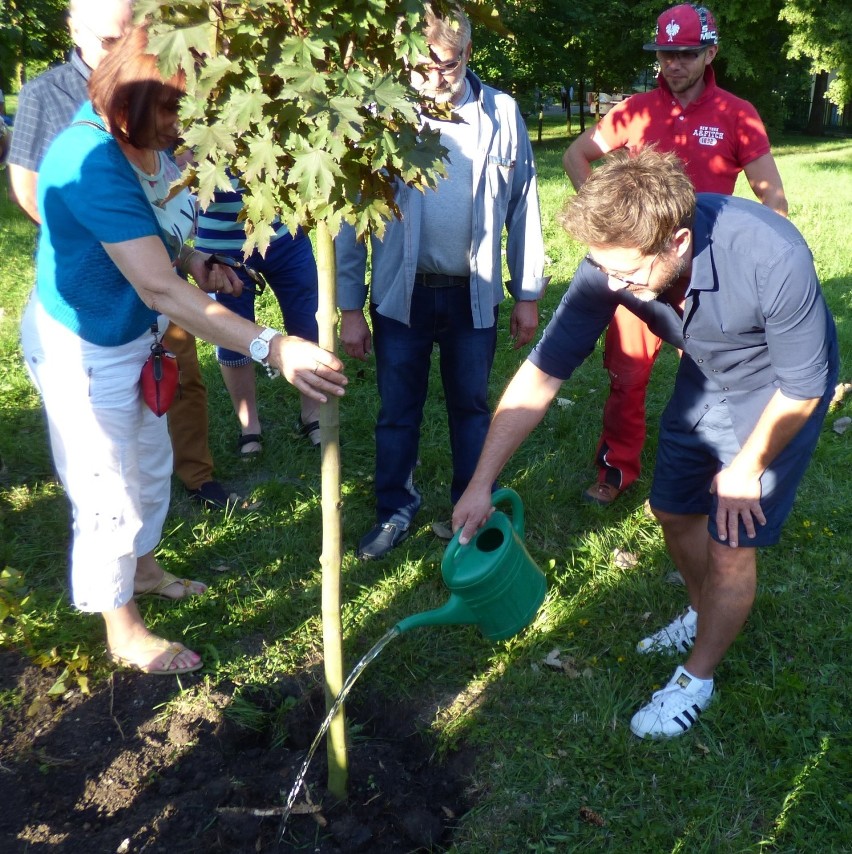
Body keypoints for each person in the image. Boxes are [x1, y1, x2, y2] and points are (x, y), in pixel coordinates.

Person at [453, 148, 837, 739]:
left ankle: (697, 677)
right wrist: (481, 484)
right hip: (708, 372)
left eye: (627, 276)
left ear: (677, 242)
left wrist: (747, 466)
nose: (613, 287)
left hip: (778, 386)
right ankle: (701, 609)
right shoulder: (613, 261)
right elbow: (541, 375)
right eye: (604, 271)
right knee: (671, 507)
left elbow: (809, 386)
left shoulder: (771, 256)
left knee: (731, 535)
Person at [19, 25, 346, 675]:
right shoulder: (87, 162)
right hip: (84, 347)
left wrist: (198, 257)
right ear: (121, 109)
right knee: (105, 485)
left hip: (134, 336)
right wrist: (271, 345)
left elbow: (157, 241)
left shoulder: (149, 144)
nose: (184, 125)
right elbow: (156, 287)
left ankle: (141, 569)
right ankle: (123, 628)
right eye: (171, 111)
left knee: (146, 461)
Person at [336, 2, 549, 560]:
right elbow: (353, 215)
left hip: (471, 295)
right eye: (423, 64)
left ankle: (470, 509)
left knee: (472, 407)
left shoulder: (502, 113)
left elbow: (525, 205)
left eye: (447, 66)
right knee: (397, 410)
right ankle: (394, 510)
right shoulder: (385, 114)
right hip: (399, 295)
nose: (434, 77)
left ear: (469, 55)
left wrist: (526, 293)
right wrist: (349, 306)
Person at [7, 0, 232, 510]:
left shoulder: (157, 106)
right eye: (110, 40)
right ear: (74, 28)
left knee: (169, 405)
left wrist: (188, 257)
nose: (122, 47)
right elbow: (29, 187)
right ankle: (115, 589)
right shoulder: (61, 108)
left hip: (148, 308)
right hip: (98, 323)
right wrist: (113, 238)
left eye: (128, 34)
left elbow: (162, 201)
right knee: (107, 489)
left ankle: (194, 481)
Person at [563, 3, 788, 506]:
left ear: (710, 53)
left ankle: (723, 469)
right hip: (642, 268)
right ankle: (617, 469)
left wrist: (761, 262)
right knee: (627, 374)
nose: (673, 64)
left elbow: (772, 196)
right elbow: (576, 155)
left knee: (720, 379)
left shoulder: (737, 114)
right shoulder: (635, 110)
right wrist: (608, 224)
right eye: (665, 53)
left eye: (685, 54)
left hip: (709, 275)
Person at [195, 179, 322, 456]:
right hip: (221, 246)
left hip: (283, 235)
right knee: (230, 335)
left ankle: (312, 415)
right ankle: (249, 425)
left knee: (307, 322)